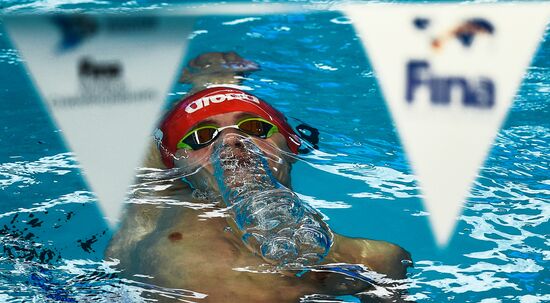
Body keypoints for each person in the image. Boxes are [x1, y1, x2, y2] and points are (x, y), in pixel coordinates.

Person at [106, 52, 412, 302]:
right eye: (202, 136)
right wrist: (207, 86)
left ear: (292, 146)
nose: (231, 141)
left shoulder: (371, 260)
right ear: (174, 163)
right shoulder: (154, 209)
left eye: (254, 128)